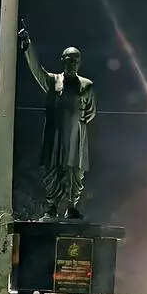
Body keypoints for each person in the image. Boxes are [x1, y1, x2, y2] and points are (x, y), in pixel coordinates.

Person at [19, 26, 96, 220]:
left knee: (75, 173)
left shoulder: (86, 85)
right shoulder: (54, 81)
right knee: (52, 170)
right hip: (55, 135)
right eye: (69, 60)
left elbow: (91, 111)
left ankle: (72, 206)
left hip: (76, 138)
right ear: (62, 60)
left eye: (76, 60)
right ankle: (51, 206)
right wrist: (28, 47)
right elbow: (37, 70)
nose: (73, 63)